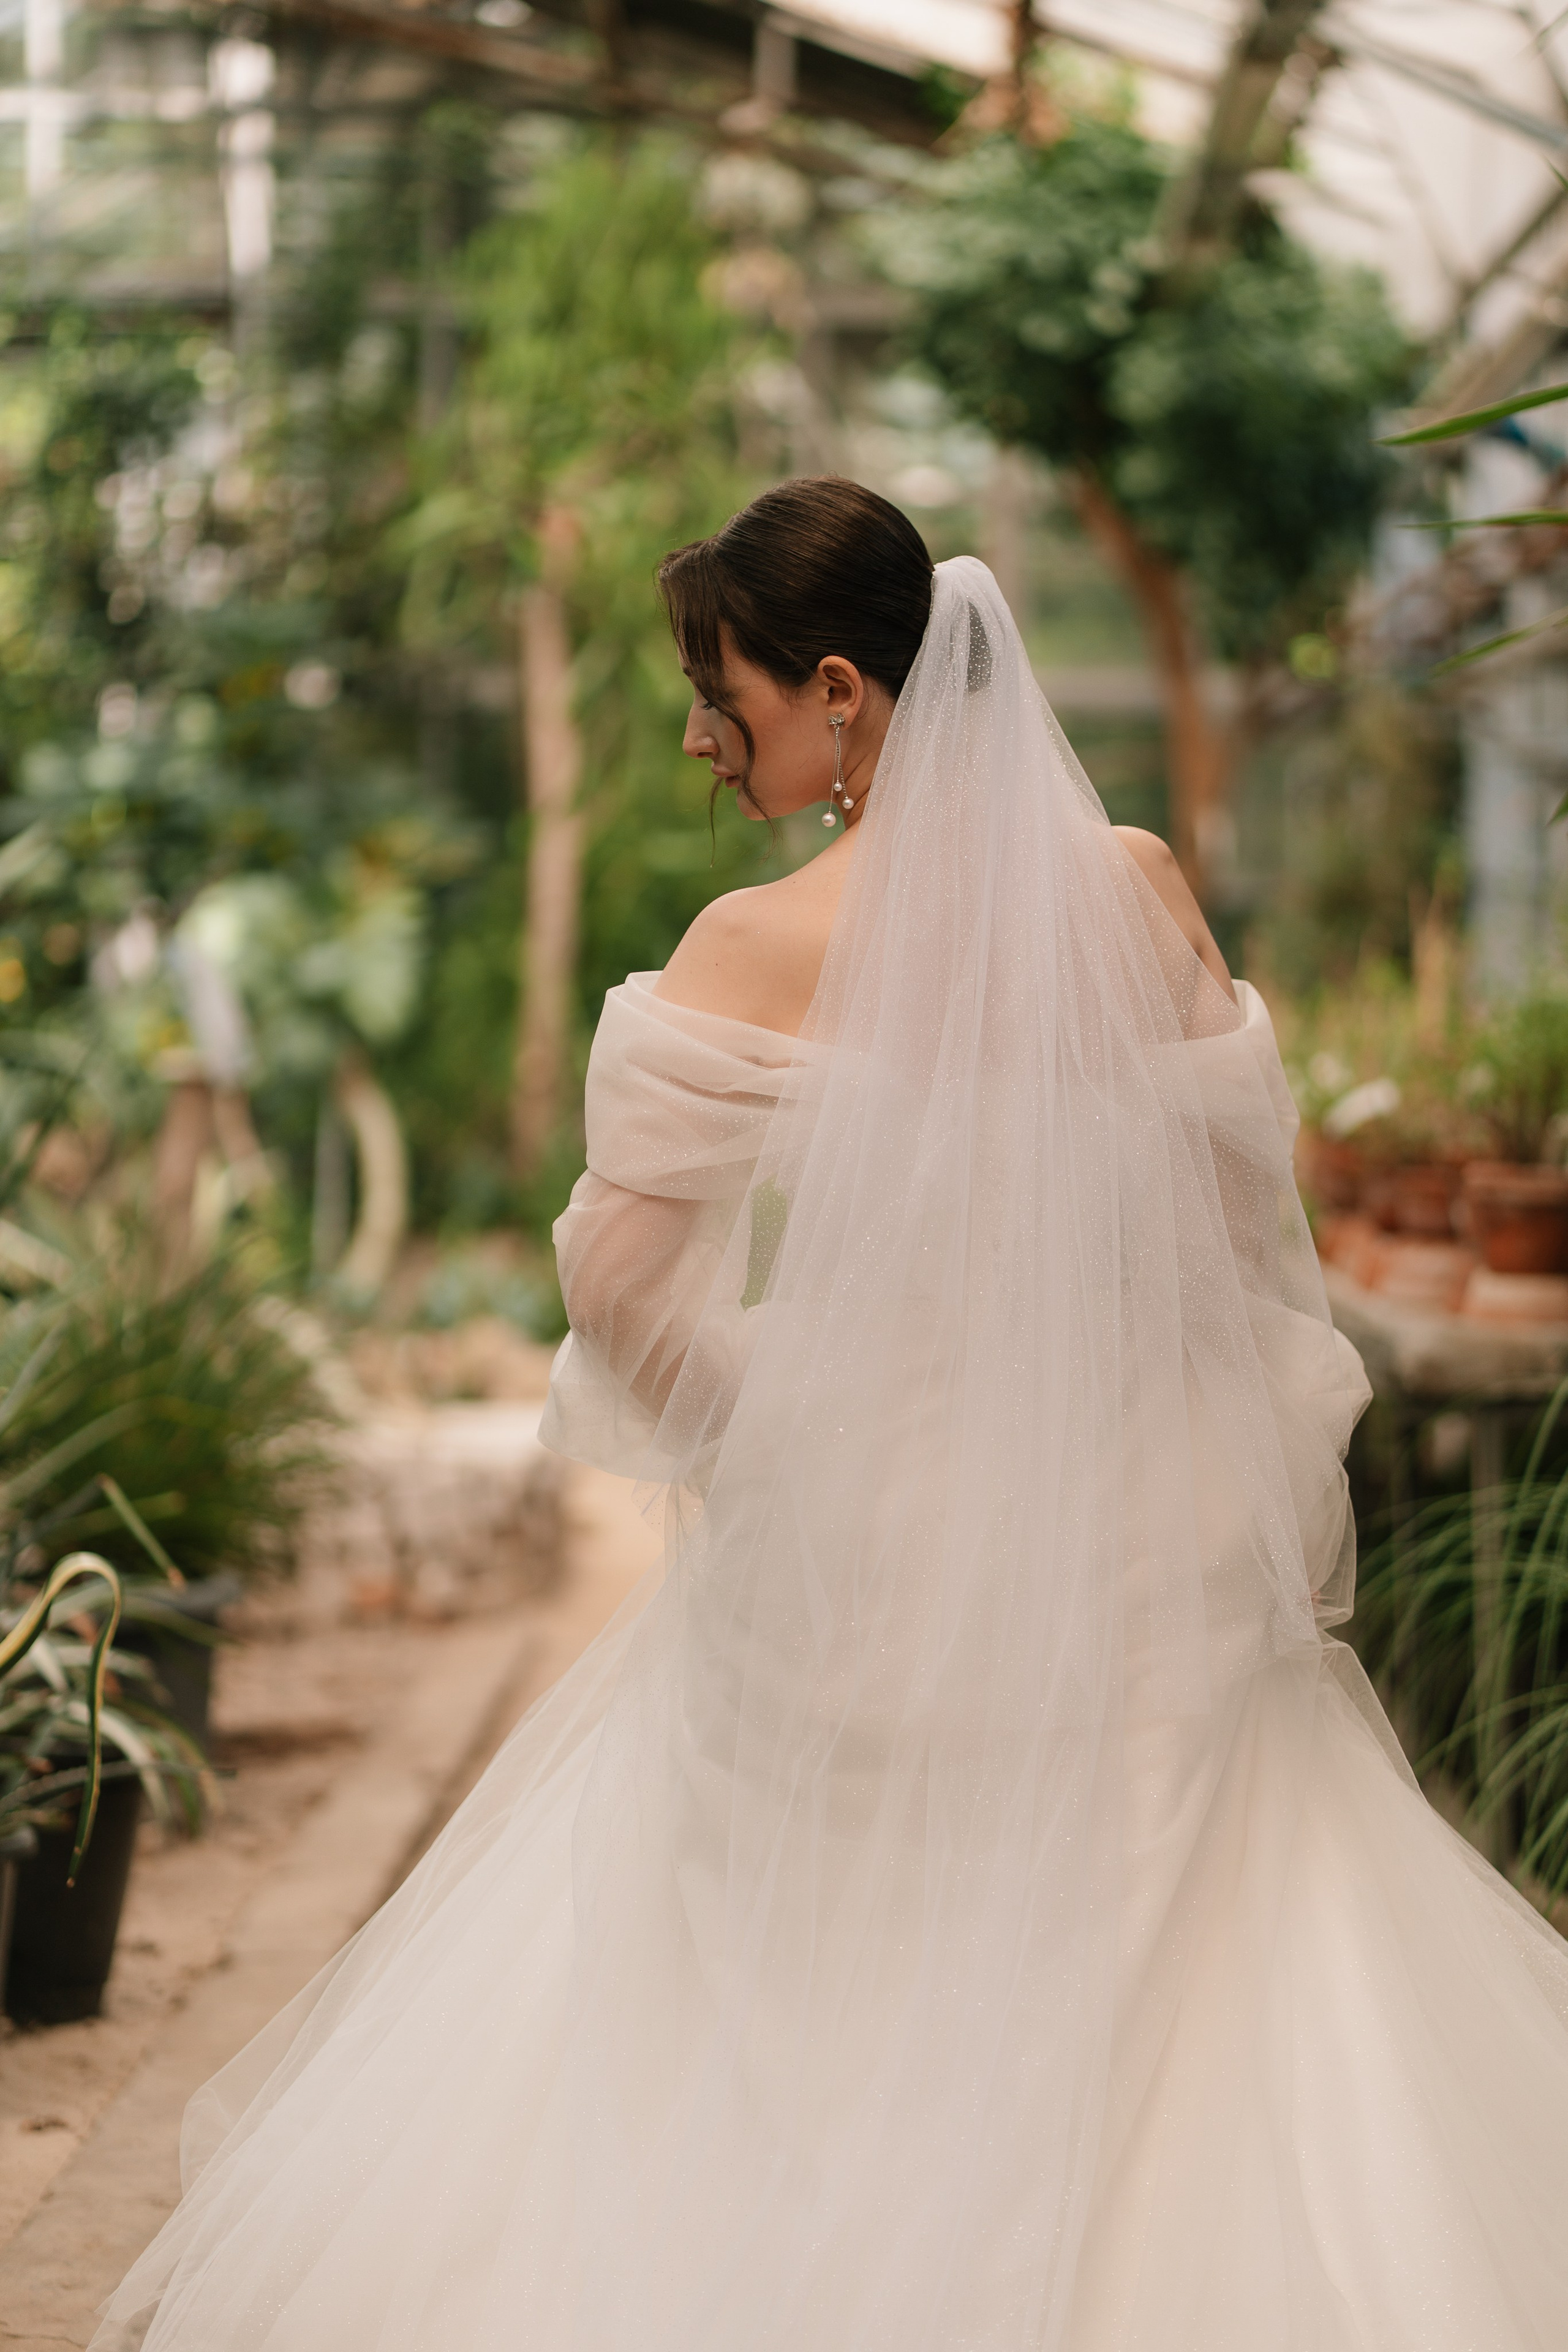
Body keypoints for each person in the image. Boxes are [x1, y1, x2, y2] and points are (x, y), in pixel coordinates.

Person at [97, 480, 1568, 2352]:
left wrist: (807, 1425)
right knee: (1205, 1931)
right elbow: (1233, 1216)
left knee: (824, 1950)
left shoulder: (752, 948)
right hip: (1142, 1521)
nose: (708, 745)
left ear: (851, 690)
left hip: (877, 1538)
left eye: (731, 700)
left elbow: (621, 1286)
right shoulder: (1131, 889)